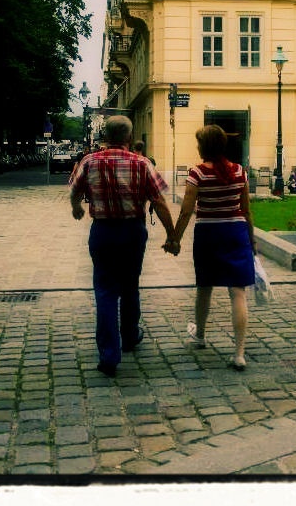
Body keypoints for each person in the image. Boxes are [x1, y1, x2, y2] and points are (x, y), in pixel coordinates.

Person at [69, 115, 178, 378]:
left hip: (103, 231)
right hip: (132, 231)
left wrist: (76, 208)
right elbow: (159, 201)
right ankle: (129, 336)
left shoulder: (89, 161)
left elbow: (75, 189)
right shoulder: (142, 163)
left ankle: (109, 355)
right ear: (129, 137)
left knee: (106, 290)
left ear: (105, 136)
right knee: (130, 285)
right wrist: (172, 235)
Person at [168, 124, 255, 371]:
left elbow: (186, 211)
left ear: (204, 146)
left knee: (204, 287)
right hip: (236, 233)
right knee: (237, 292)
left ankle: (200, 335)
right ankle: (239, 353)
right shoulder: (239, 171)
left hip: (208, 233)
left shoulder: (197, 173)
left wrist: (175, 239)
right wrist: (252, 240)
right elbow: (246, 210)